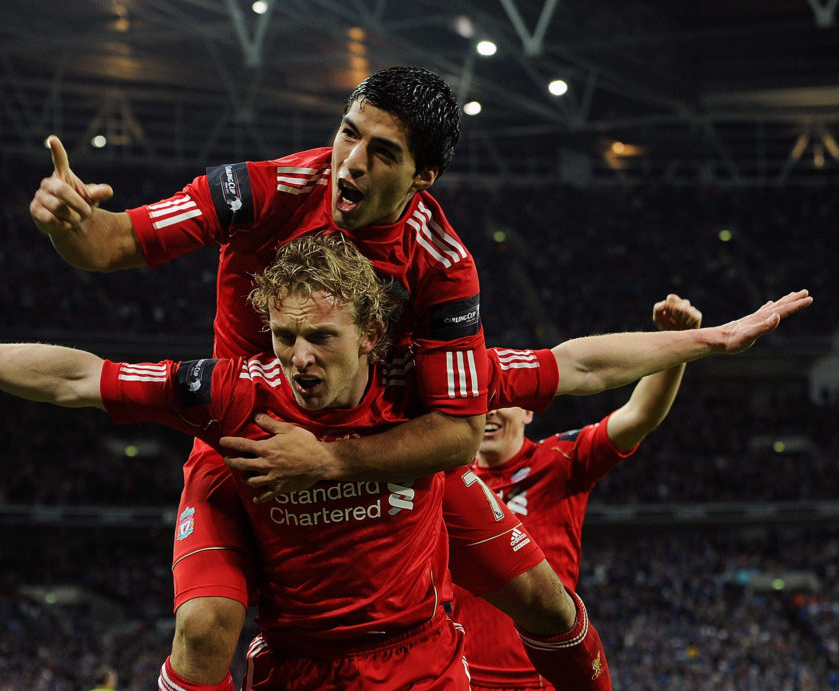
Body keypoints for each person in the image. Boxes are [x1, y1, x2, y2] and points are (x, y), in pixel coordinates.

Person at [0, 232, 811, 687]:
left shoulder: (430, 382)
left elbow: (581, 363)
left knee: (548, 604)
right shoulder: (237, 391)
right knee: (201, 632)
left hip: (420, 653)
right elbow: (79, 376)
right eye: (283, 338)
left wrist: (715, 341)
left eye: (320, 337)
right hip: (302, 656)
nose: (300, 360)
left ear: (372, 333)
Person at [29, 65, 589, 690]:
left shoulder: (443, 261)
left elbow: (460, 436)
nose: (352, 162)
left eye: (383, 153)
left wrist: (327, 459)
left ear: (422, 176)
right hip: (243, 439)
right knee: (204, 631)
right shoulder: (261, 191)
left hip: (373, 442)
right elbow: (109, 244)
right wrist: (68, 226)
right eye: (349, 134)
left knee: (545, 600)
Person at [454, 294, 700, 690]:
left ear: (528, 410)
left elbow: (638, 415)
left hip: (545, 682)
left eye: (501, 401)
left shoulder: (558, 461)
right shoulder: (444, 482)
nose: (491, 413)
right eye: (482, 403)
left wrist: (677, 345)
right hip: (460, 681)